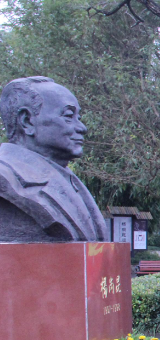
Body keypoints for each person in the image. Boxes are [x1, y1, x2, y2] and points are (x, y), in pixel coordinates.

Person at [0, 77, 109, 242]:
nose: (82, 128)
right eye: (68, 116)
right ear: (27, 121)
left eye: (78, 118)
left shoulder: (68, 178)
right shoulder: (7, 176)